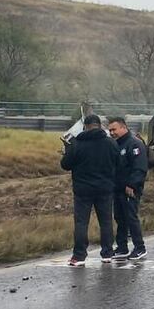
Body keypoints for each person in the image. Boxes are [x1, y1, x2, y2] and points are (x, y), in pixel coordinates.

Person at [60, 113, 120, 266]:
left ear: (85, 127)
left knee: (81, 223)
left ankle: (79, 256)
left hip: (82, 190)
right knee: (106, 222)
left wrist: (67, 152)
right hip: (105, 189)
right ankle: (107, 253)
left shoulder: (76, 144)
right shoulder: (110, 143)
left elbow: (65, 165)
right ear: (100, 126)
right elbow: (119, 163)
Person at [107, 116, 149, 261]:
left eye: (114, 129)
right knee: (120, 218)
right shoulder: (115, 145)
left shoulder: (134, 144)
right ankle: (122, 247)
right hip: (117, 188)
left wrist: (132, 184)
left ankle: (140, 248)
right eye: (110, 130)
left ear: (123, 127)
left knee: (131, 217)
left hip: (130, 189)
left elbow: (140, 167)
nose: (112, 133)